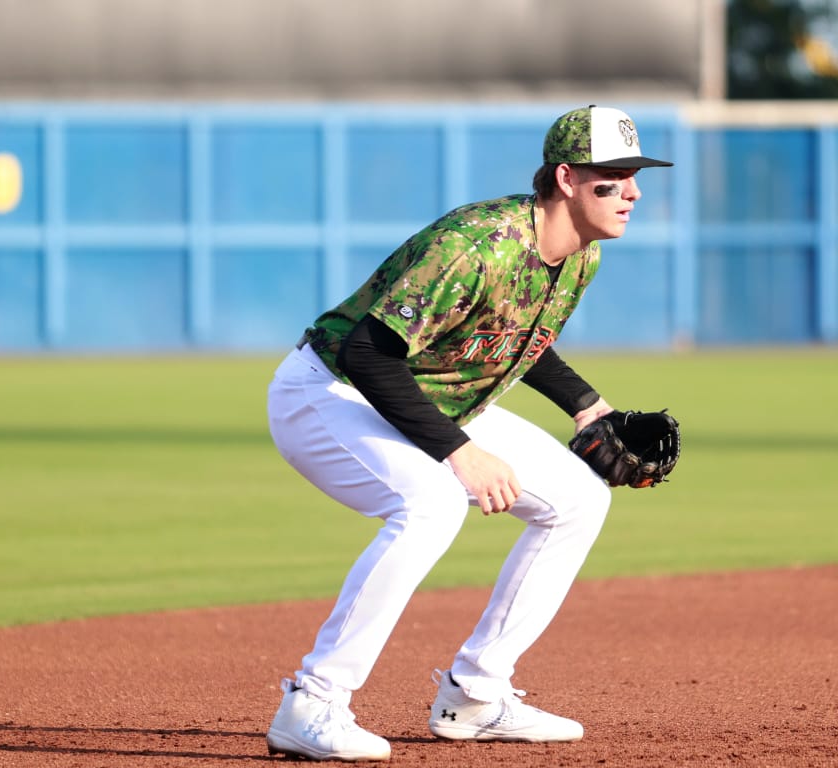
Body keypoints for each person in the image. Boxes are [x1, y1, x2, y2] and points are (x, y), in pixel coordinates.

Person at [263, 105, 673, 762]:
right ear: (566, 179)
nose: (633, 191)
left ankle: (476, 697)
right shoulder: (475, 247)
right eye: (614, 176)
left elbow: (513, 336)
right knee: (430, 502)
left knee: (579, 500)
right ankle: (313, 700)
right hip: (327, 392)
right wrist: (460, 453)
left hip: (425, 396)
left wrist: (586, 405)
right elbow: (369, 355)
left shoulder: (580, 255)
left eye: (635, 175)